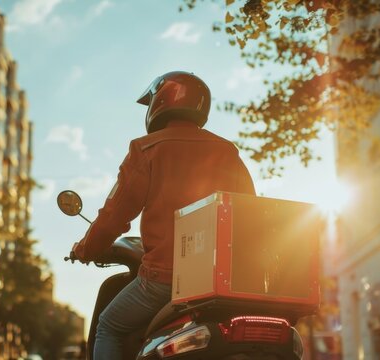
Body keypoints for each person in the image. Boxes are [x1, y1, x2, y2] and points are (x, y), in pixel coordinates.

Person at [71, 71, 256, 360]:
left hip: (165, 281)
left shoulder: (145, 149)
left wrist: (86, 249)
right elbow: (249, 211)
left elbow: (113, 216)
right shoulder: (227, 151)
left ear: (159, 102)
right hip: (221, 283)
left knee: (109, 327)